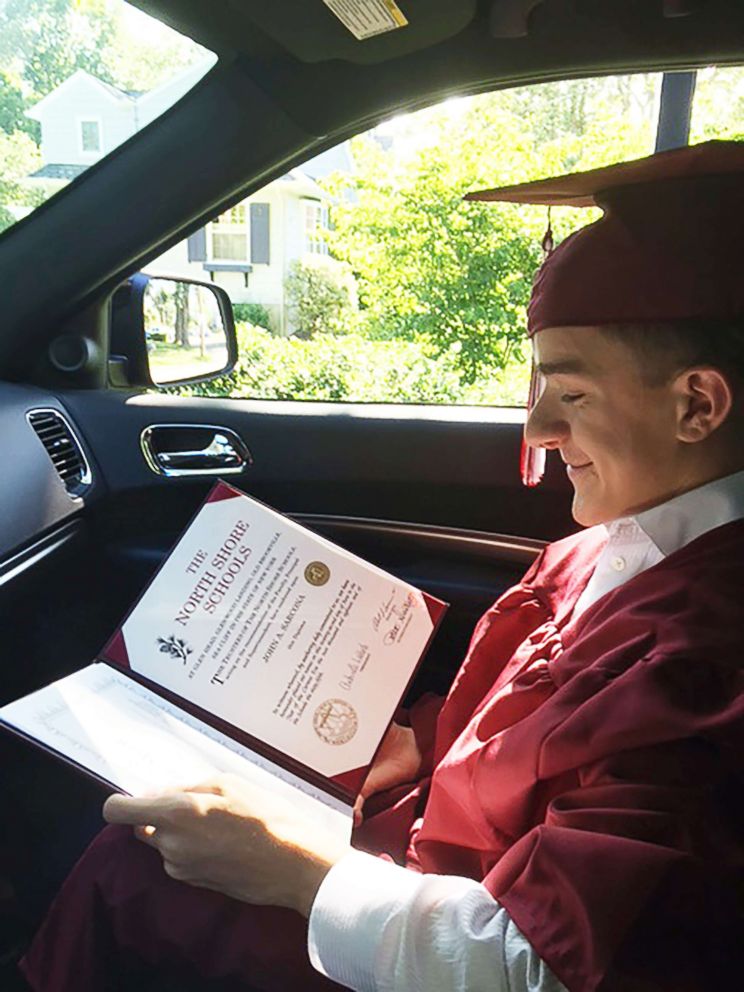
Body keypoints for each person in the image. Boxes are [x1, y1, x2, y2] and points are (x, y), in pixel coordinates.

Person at [18, 140, 744, 992]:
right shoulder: (636, 541)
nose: (540, 428)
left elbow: (548, 967)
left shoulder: (710, 658)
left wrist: (299, 871)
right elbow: (552, 740)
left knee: (136, 878)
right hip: (448, 851)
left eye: (571, 392)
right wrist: (416, 744)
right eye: (537, 384)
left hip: (469, 928)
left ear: (697, 402)